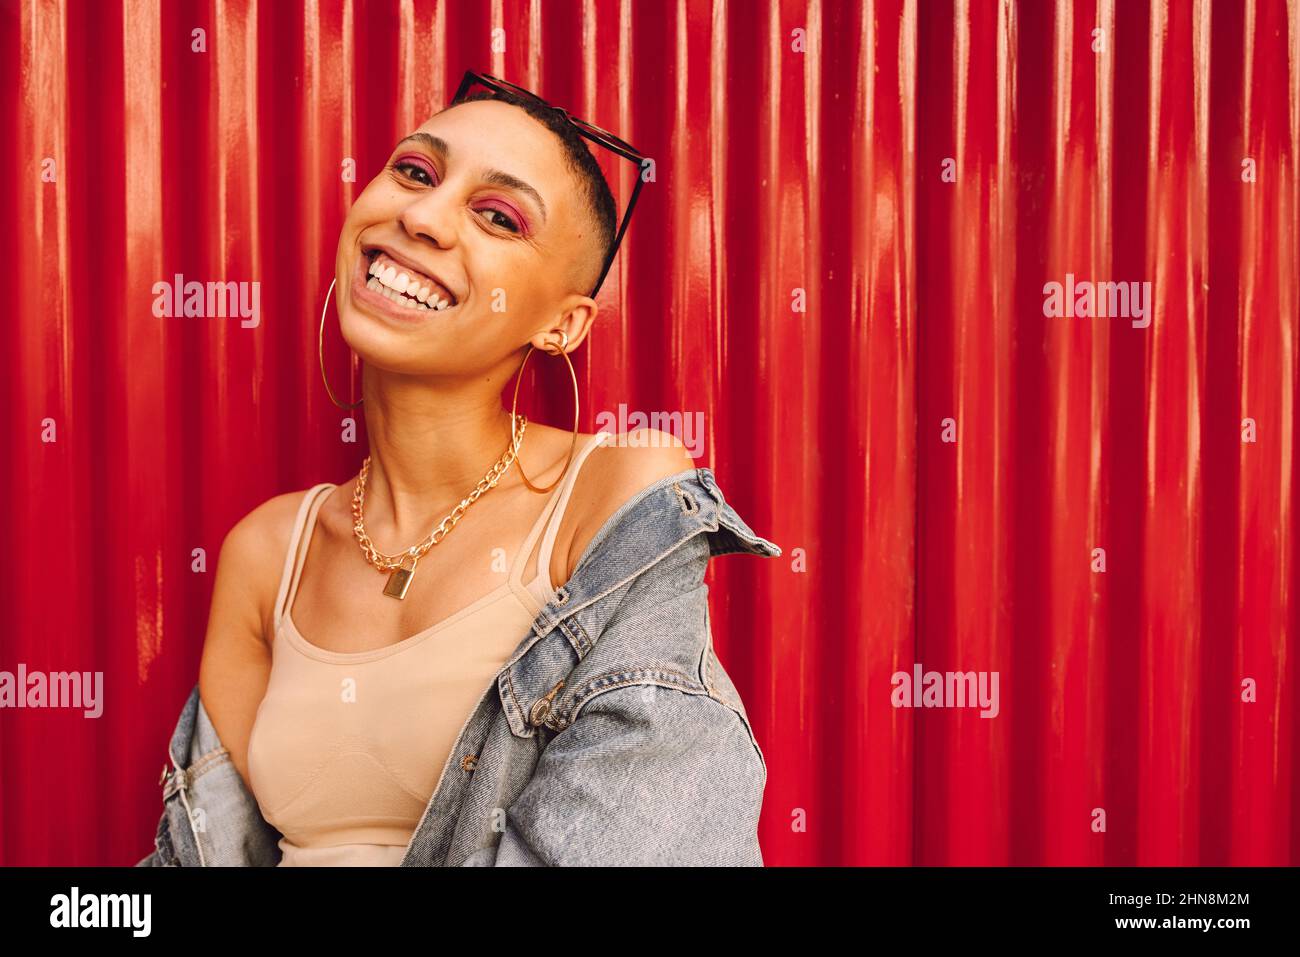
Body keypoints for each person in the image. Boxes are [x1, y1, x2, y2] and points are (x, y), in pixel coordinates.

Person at [140, 75, 780, 867]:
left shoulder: (615, 496)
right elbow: (203, 853)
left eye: (498, 216)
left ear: (561, 323)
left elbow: (633, 834)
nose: (420, 217)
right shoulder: (269, 551)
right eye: (415, 171)